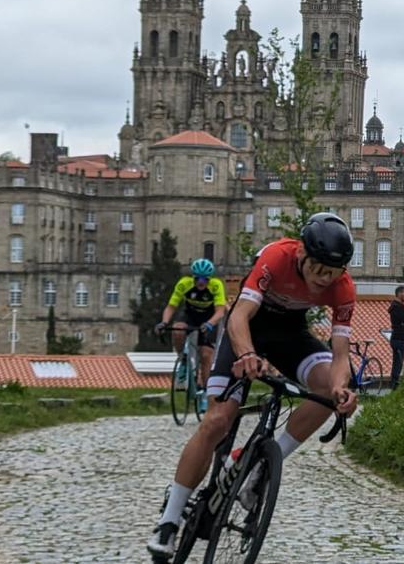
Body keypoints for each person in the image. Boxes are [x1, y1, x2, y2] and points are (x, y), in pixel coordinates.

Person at [147, 213, 360, 559]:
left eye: (333, 274)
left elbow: (339, 354)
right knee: (217, 421)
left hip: (289, 335)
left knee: (324, 390)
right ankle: (169, 520)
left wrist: (341, 388)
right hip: (245, 330)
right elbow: (241, 315)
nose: (324, 280)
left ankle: (261, 468)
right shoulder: (276, 256)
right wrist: (246, 354)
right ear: (302, 255)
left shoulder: (343, 287)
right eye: (319, 270)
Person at [155, 258, 227, 413]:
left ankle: (206, 394)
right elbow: (171, 306)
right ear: (193, 277)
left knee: (206, 355)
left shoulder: (216, 286)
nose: (201, 283)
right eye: (198, 279)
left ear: (209, 279)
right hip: (190, 314)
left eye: (204, 279)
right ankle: (182, 360)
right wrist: (163, 322)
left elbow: (220, 311)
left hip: (209, 318)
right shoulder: (184, 284)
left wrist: (209, 324)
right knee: (178, 329)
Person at [387, 286, 404, 388]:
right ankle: (394, 384)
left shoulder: (396, 306)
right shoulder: (398, 307)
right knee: (398, 362)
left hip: (397, 337)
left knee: (397, 362)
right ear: (400, 294)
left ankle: (394, 382)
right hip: (400, 338)